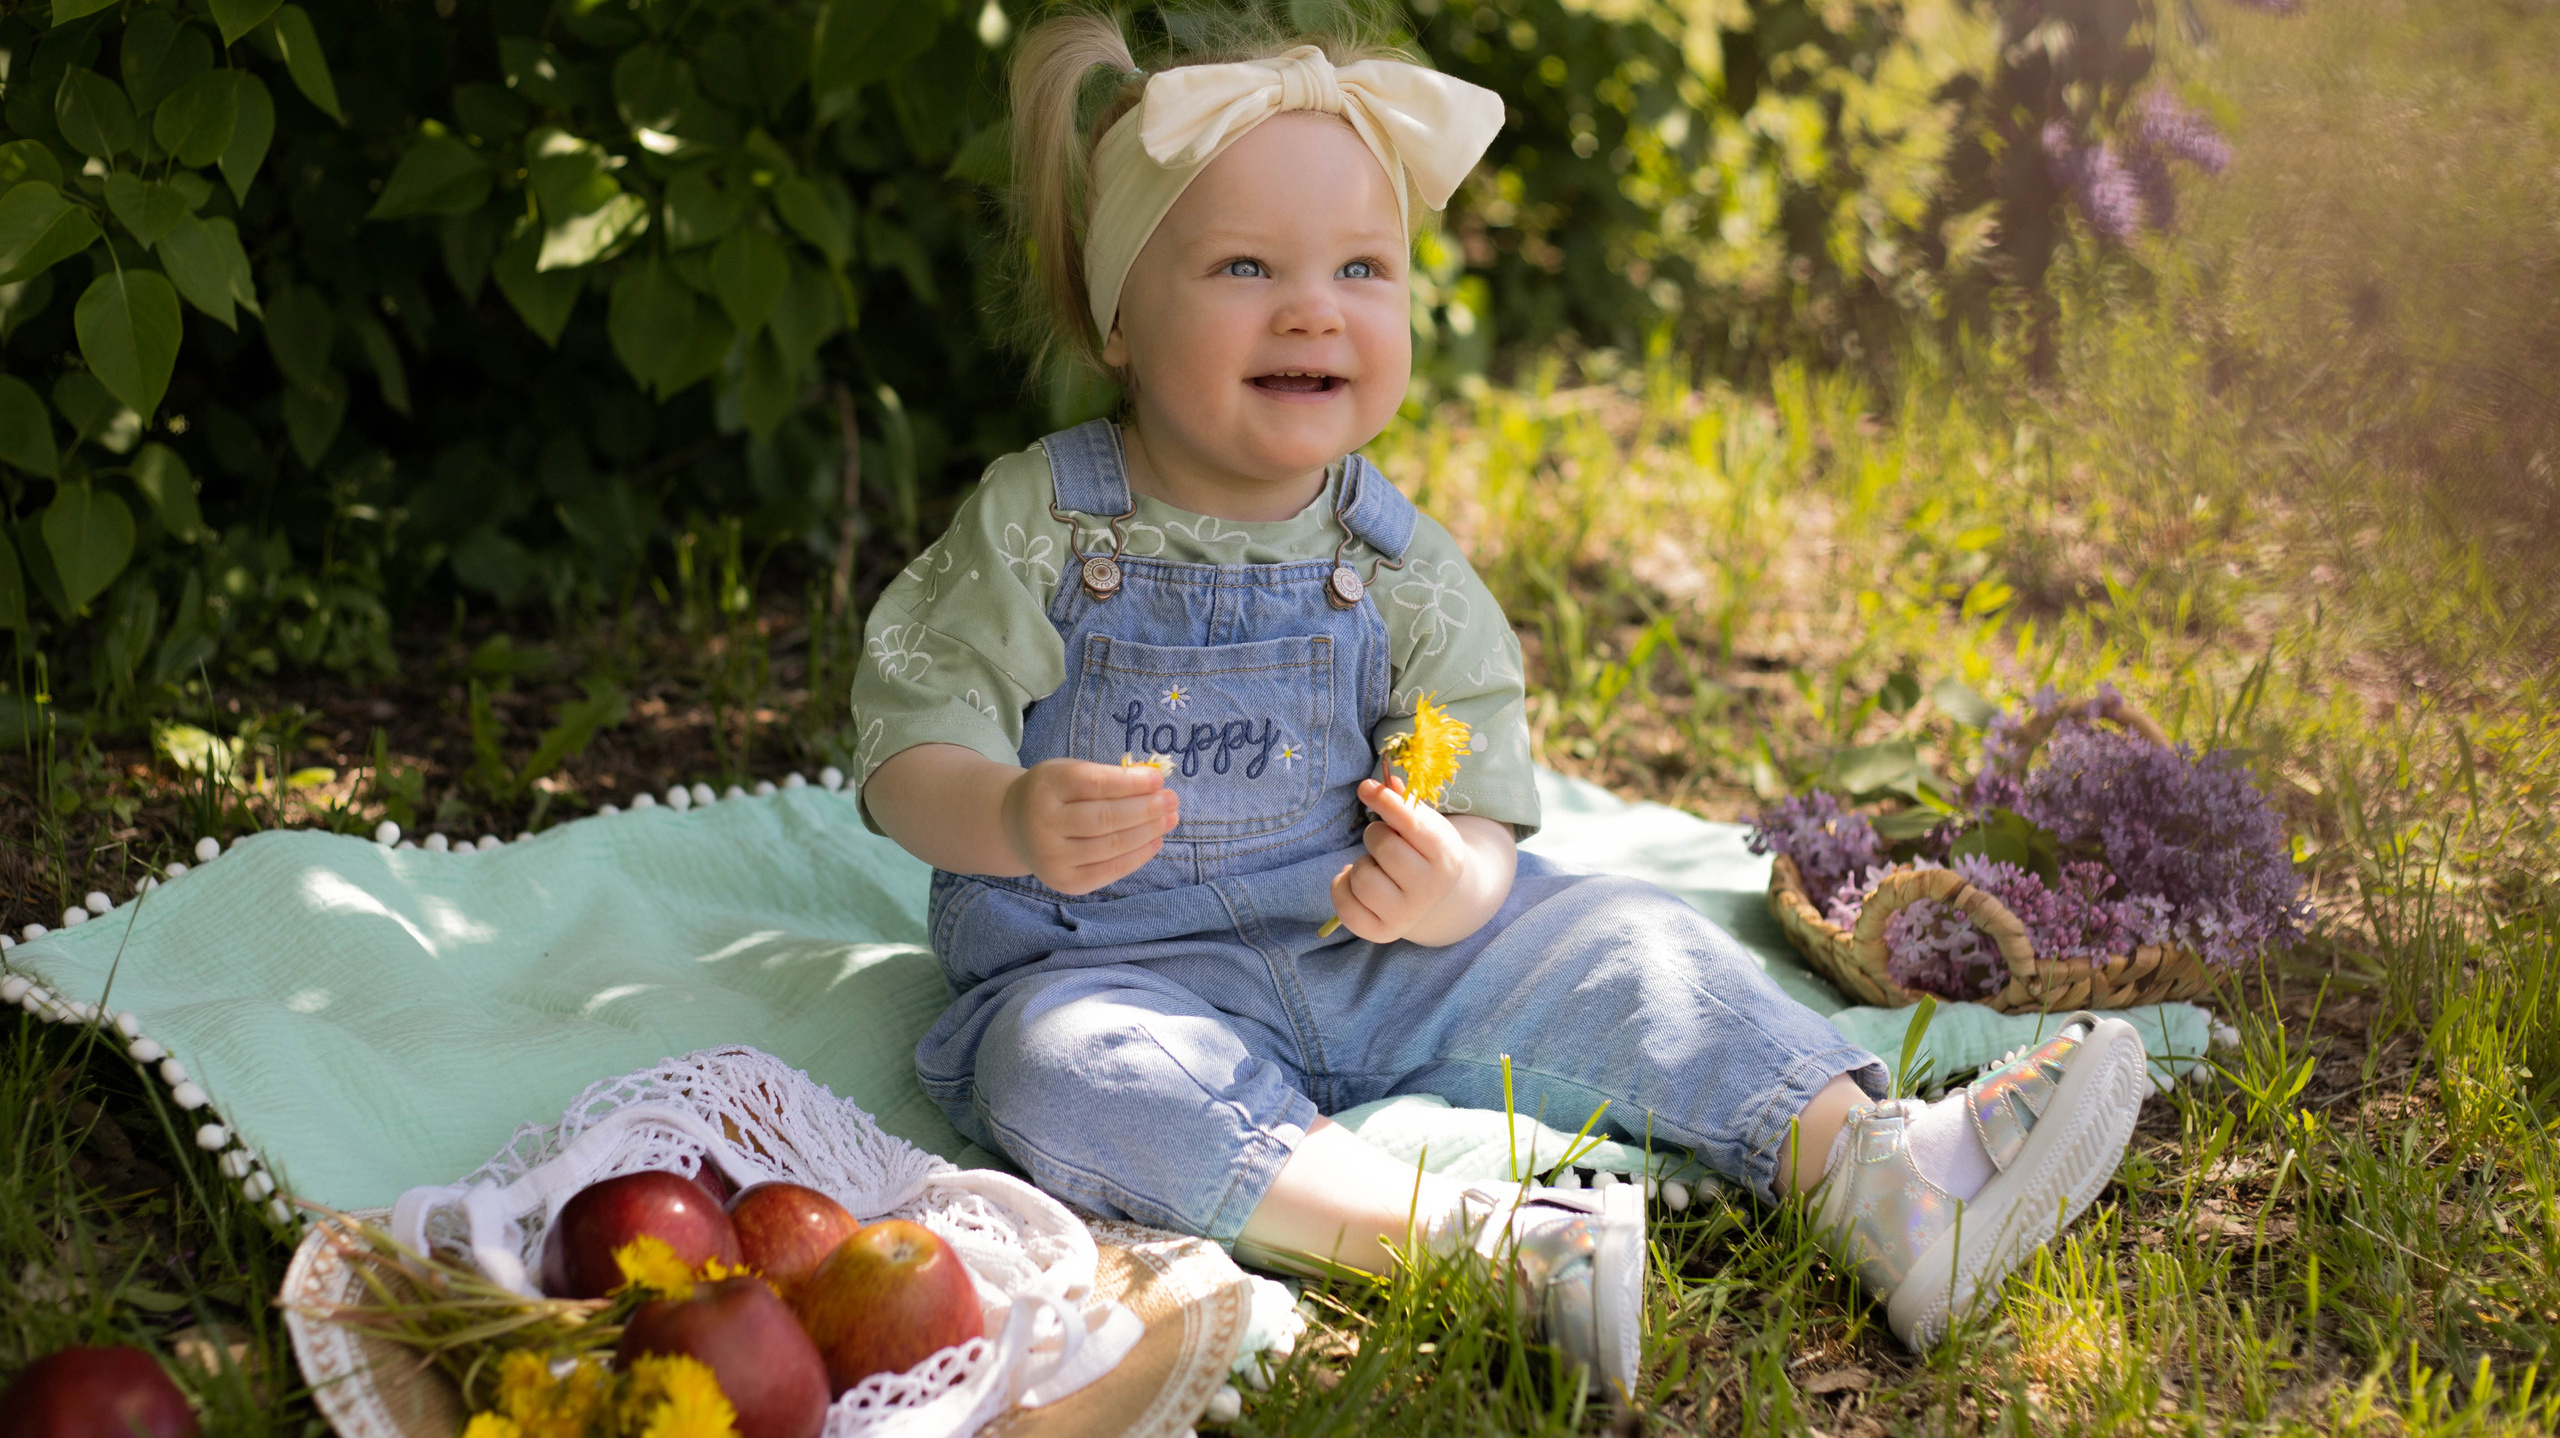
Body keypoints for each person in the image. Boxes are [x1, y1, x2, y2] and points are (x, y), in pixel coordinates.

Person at [849, 6, 2152, 1393]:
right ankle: (1478, 1245)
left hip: (1379, 950)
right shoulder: (1044, 523)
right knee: (1058, 1072)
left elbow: (1475, 807)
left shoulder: (1400, 570)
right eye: (1245, 264)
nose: (1313, 307)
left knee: (1623, 941)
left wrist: (1453, 884)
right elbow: (907, 742)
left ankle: (1879, 1171)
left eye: (1364, 266)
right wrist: (1005, 810)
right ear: (1119, 314)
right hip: (1116, 967)